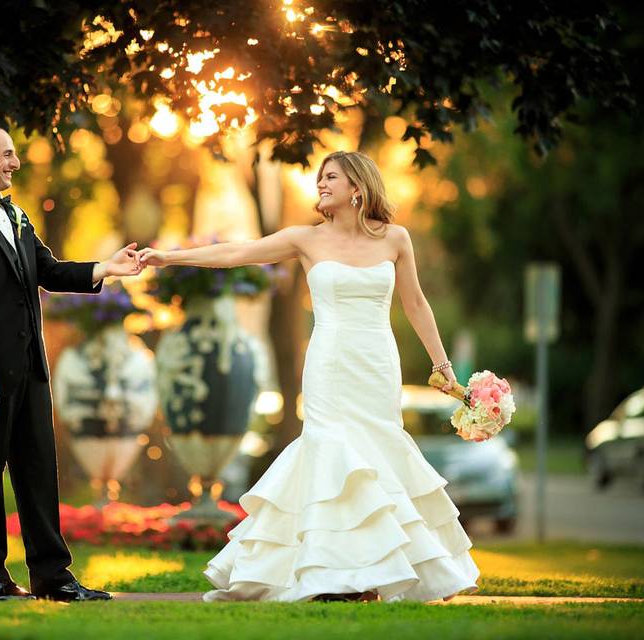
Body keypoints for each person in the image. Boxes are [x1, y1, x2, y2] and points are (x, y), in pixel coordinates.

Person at [138, 150, 481, 603]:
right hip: (330, 364)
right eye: (320, 178)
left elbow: (416, 304)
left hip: (377, 362)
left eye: (331, 177)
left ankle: (388, 572)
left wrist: (443, 367)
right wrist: (167, 257)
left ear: (357, 187)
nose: (321, 184)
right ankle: (332, 577)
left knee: (378, 456)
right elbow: (239, 252)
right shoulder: (306, 239)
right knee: (331, 453)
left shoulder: (396, 239)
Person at [0, 124, 142, 603]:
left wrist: (105, 268)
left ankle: (53, 578)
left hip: (31, 370)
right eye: (7, 154)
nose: (16, 162)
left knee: (39, 471)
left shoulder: (17, 215)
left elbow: (48, 271)